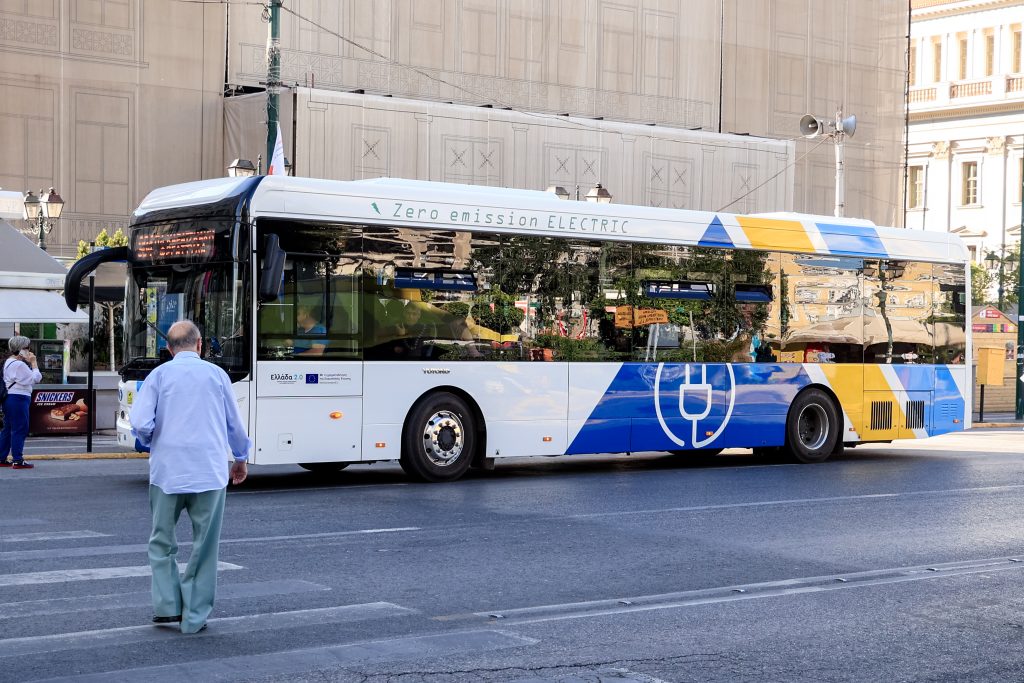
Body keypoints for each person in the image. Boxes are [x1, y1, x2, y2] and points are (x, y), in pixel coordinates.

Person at [130, 320, 251, 634]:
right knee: (205, 545)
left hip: (167, 471)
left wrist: (154, 438)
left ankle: (167, 606)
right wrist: (240, 458)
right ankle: (194, 616)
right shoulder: (217, 375)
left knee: (161, 541)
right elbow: (234, 425)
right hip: (208, 472)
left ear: (169, 349)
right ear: (200, 345)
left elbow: (141, 422)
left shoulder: (158, 375)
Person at [0, 336, 42, 469]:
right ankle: (17, 460)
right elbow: (36, 378)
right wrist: (34, 363)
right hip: (18, 398)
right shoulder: (19, 365)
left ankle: (2, 457)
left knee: (8, 428)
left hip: (10, 399)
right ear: (20, 350)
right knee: (20, 428)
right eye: (27, 348)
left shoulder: (9, 362)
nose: (29, 351)